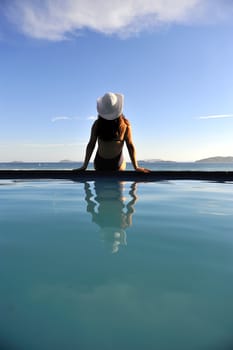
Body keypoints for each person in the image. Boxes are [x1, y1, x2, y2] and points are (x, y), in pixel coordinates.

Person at [75, 92, 150, 172]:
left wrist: (84, 166)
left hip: (100, 164)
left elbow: (91, 144)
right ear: (118, 108)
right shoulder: (125, 125)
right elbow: (130, 146)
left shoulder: (97, 124)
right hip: (117, 165)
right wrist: (136, 167)